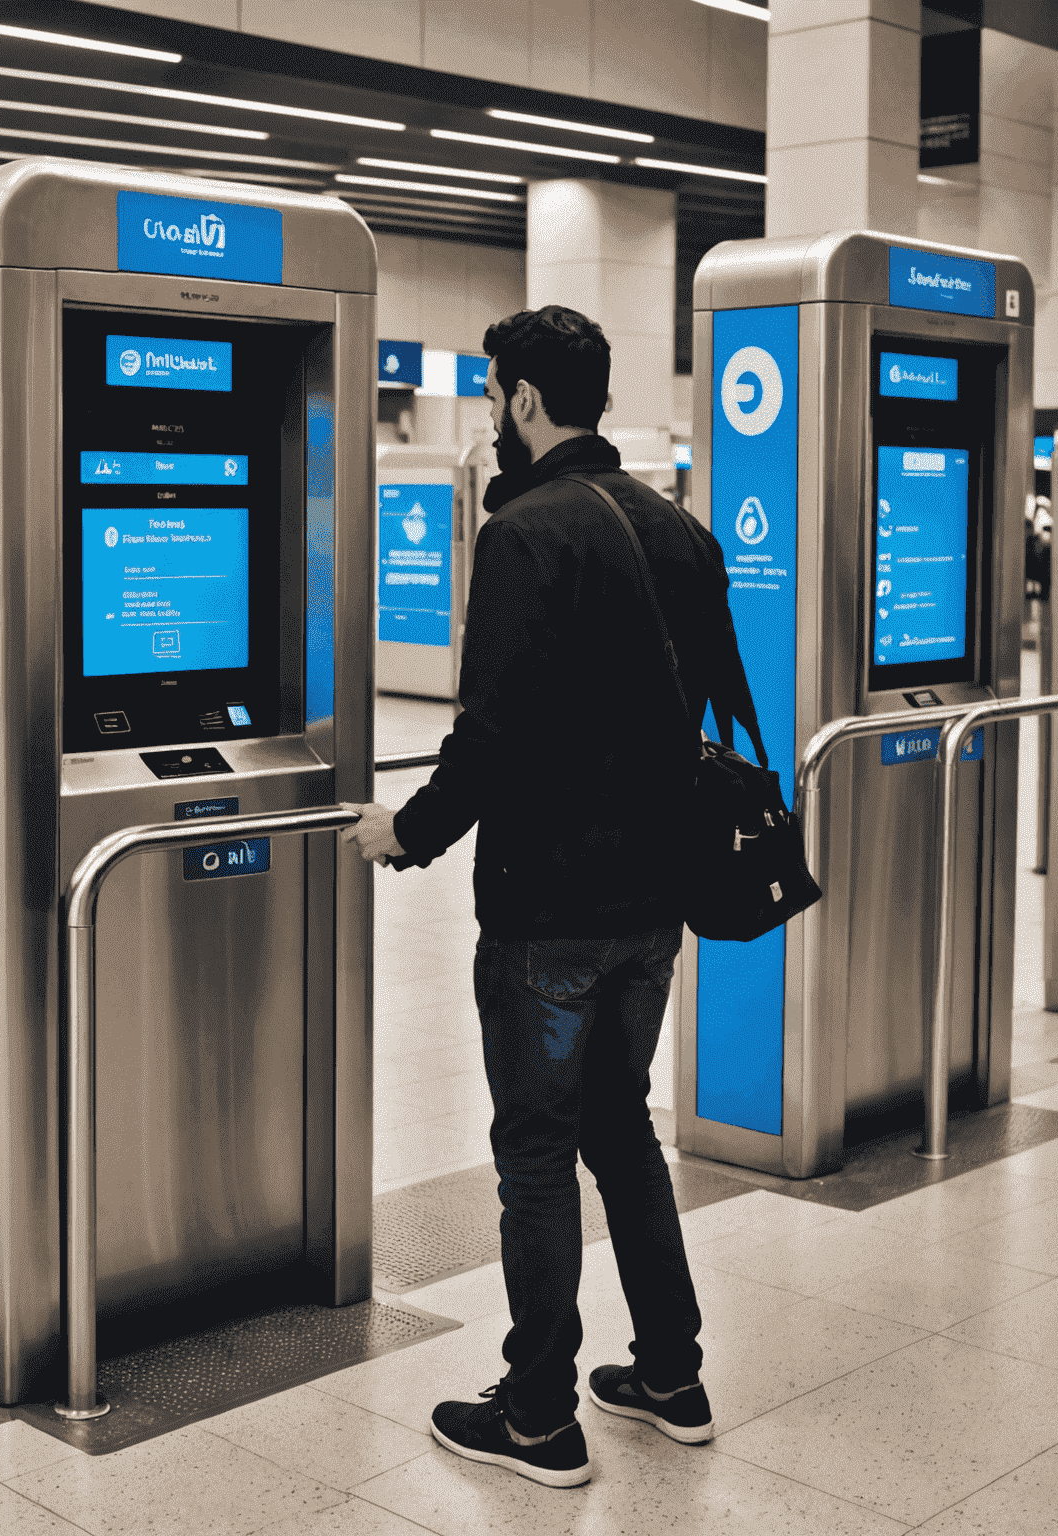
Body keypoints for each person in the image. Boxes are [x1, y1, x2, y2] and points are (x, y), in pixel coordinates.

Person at [343, 306, 759, 1488]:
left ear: (525, 401)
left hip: (552, 909)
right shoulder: (677, 530)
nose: (488, 413)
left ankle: (538, 1413)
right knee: (621, 1130)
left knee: (535, 1147)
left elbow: (494, 737)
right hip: (656, 903)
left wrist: (406, 832)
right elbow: (715, 705)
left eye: (492, 394)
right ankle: (671, 1376)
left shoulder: (528, 535)